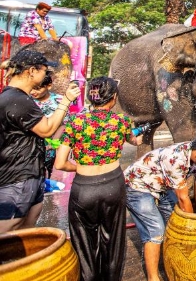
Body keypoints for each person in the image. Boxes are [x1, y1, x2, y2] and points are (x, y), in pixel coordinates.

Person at [55, 77, 142, 281]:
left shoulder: (76, 122)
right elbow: (134, 140)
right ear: (113, 98)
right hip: (113, 185)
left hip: (83, 189)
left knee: (84, 244)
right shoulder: (120, 121)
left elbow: (60, 164)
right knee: (113, 241)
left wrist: (81, 167)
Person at [0, 50, 80, 233]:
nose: (46, 75)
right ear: (32, 71)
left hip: (32, 174)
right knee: (8, 229)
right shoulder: (17, 100)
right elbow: (47, 129)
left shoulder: (19, 98)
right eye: (44, 70)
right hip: (17, 177)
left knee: (25, 231)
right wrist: (67, 100)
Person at [124, 138, 196, 281]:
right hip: (137, 185)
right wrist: (193, 228)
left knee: (173, 221)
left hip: (163, 185)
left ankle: (172, 259)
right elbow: (183, 198)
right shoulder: (176, 159)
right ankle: (153, 277)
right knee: (155, 230)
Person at [30, 71, 66, 179]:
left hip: (51, 145)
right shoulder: (27, 100)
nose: (33, 92)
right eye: (32, 88)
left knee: (47, 172)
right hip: (31, 145)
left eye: (38, 88)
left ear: (48, 86)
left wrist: (54, 142)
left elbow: (64, 123)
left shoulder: (60, 101)